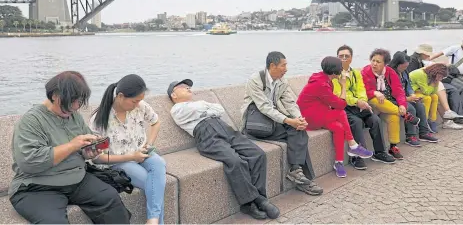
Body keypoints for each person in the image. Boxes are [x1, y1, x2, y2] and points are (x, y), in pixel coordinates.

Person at [9, 71, 131, 224]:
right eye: (70, 102)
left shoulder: (74, 115)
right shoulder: (31, 121)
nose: (74, 107)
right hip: (37, 186)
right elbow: (29, 162)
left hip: (76, 179)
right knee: (54, 222)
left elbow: (83, 149)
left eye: (79, 102)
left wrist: (90, 151)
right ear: (54, 95)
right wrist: (72, 145)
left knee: (111, 199)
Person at [169, 79, 280, 220]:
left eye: (189, 86)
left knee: (257, 154)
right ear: (174, 95)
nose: (188, 88)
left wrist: (203, 108)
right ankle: (252, 203)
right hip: (207, 135)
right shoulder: (176, 109)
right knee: (235, 162)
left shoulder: (196, 105)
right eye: (183, 87)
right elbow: (204, 109)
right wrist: (206, 107)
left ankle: (259, 199)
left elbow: (219, 109)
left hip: (225, 129)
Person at [241, 51, 323, 196]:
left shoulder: (281, 81)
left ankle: (297, 172)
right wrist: (289, 121)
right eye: (283, 65)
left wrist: (299, 118)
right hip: (255, 126)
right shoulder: (256, 80)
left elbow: (290, 102)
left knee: (299, 130)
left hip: (272, 123)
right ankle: (302, 177)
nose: (286, 69)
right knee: (297, 134)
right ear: (272, 66)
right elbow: (264, 107)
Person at [89, 74, 166, 225]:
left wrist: (149, 144)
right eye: (134, 101)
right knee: (153, 183)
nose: (138, 104)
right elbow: (99, 158)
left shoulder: (140, 107)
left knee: (159, 164)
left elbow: (155, 122)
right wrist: (131, 157)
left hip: (141, 152)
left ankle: (153, 219)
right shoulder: (101, 120)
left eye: (139, 100)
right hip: (119, 161)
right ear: (120, 96)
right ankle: (156, 221)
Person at [297, 56, 374, 178]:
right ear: (335, 71)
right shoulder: (321, 84)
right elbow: (341, 105)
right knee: (341, 113)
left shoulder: (322, 78)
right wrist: (343, 85)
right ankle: (353, 145)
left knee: (339, 128)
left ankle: (338, 162)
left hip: (319, 113)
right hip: (310, 118)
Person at [333, 45, 396, 170]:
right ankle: (356, 157)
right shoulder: (334, 74)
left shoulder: (356, 73)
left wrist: (362, 100)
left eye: (347, 56)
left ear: (351, 58)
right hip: (343, 108)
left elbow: (362, 89)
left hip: (359, 106)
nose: (344, 59)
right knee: (356, 123)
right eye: (341, 56)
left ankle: (379, 152)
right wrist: (357, 102)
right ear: (337, 58)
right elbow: (338, 94)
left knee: (375, 120)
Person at [361, 49, 419, 160]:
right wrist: (374, 92)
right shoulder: (365, 72)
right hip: (371, 103)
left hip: (387, 105)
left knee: (393, 117)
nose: (374, 64)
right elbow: (362, 91)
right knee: (377, 100)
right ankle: (406, 116)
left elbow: (398, 90)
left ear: (385, 64)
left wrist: (402, 105)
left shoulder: (389, 72)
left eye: (378, 62)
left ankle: (393, 147)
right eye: (373, 60)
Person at [407, 43, 463, 126]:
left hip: (421, 84)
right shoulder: (413, 61)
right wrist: (434, 82)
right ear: (423, 53)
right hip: (416, 88)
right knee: (439, 90)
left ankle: (447, 116)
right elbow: (415, 78)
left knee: (440, 94)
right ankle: (447, 113)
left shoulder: (418, 60)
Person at [388, 51, 440, 146]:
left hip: (405, 97)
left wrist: (411, 94)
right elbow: (392, 92)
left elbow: (408, 86)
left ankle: (423, 132)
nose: (405, 68)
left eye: (406, 66)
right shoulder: (390, 73)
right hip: (395, 99)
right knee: (410, 108)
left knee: (420, 105)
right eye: (403, 66)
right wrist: (406, 99)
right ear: (397, 64)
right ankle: (410, 136)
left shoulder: (404, 72)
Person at [409, 64, 463, 130]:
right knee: (427, 98)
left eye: (442, 77)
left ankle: (432, 120)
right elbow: (426, 92)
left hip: (419, 91)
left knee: (435, 97)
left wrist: (436, 82)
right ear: (436, 72)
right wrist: (435, 83)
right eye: (440, 76)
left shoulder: (431, 76)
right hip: (411, 92)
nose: (441, 78)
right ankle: (424, 122)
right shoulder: (421, 74)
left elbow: (433, 92)